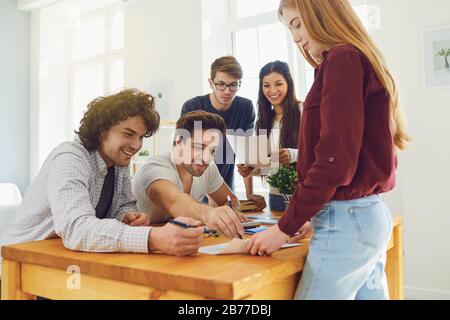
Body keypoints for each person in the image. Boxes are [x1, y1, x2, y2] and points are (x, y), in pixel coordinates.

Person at [246, 0, 410, 300]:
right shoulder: (353, 58)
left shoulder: (342, 59)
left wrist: (284, 227)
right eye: (289, 29)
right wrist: (310, 215)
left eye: (296, 24)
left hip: (348, 220)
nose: (295, 37)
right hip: (365, 215)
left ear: (320, 13)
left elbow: (335, 162)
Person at [0, 89, 204, 257]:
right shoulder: (69, 158)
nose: (136, 145)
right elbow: (76, 228)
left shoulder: (118, 163)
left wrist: (127, 217)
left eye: (141, 137)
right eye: (128, 134)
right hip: (20, 264)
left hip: (65, 258)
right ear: (101, 129)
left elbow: (124, 205)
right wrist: (152, 237)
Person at [132, 111, 245, 240]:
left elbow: (231, 200)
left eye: (213, 150)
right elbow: (175, 202)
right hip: (138, 251)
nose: (206, 158)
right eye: (199, 147)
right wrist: (210, 213)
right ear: (179, 141)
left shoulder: (207, 168)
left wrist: (229, 212)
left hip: (177, 245)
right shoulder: (155, 169)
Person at [181, 56, 266, 211]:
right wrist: (208, 195)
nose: (227, 91)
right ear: (211, 83)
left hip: (225, 191)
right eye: (221, 84)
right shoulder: (192, 106)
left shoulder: (245, 108)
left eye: (233, 85)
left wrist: (250, 193)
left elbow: (246, 155)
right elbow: (185, 156)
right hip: (194, 192)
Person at [238, 61, 302, 212]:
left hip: (303, 194)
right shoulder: (262, 122)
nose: (272, 90)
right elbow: (268, 167)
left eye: (278, 84)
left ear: (289, 83)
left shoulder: (304, 111)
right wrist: (250, 170)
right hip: (276, 197)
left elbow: (322, 152)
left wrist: (293, 155)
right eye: (266, 85)